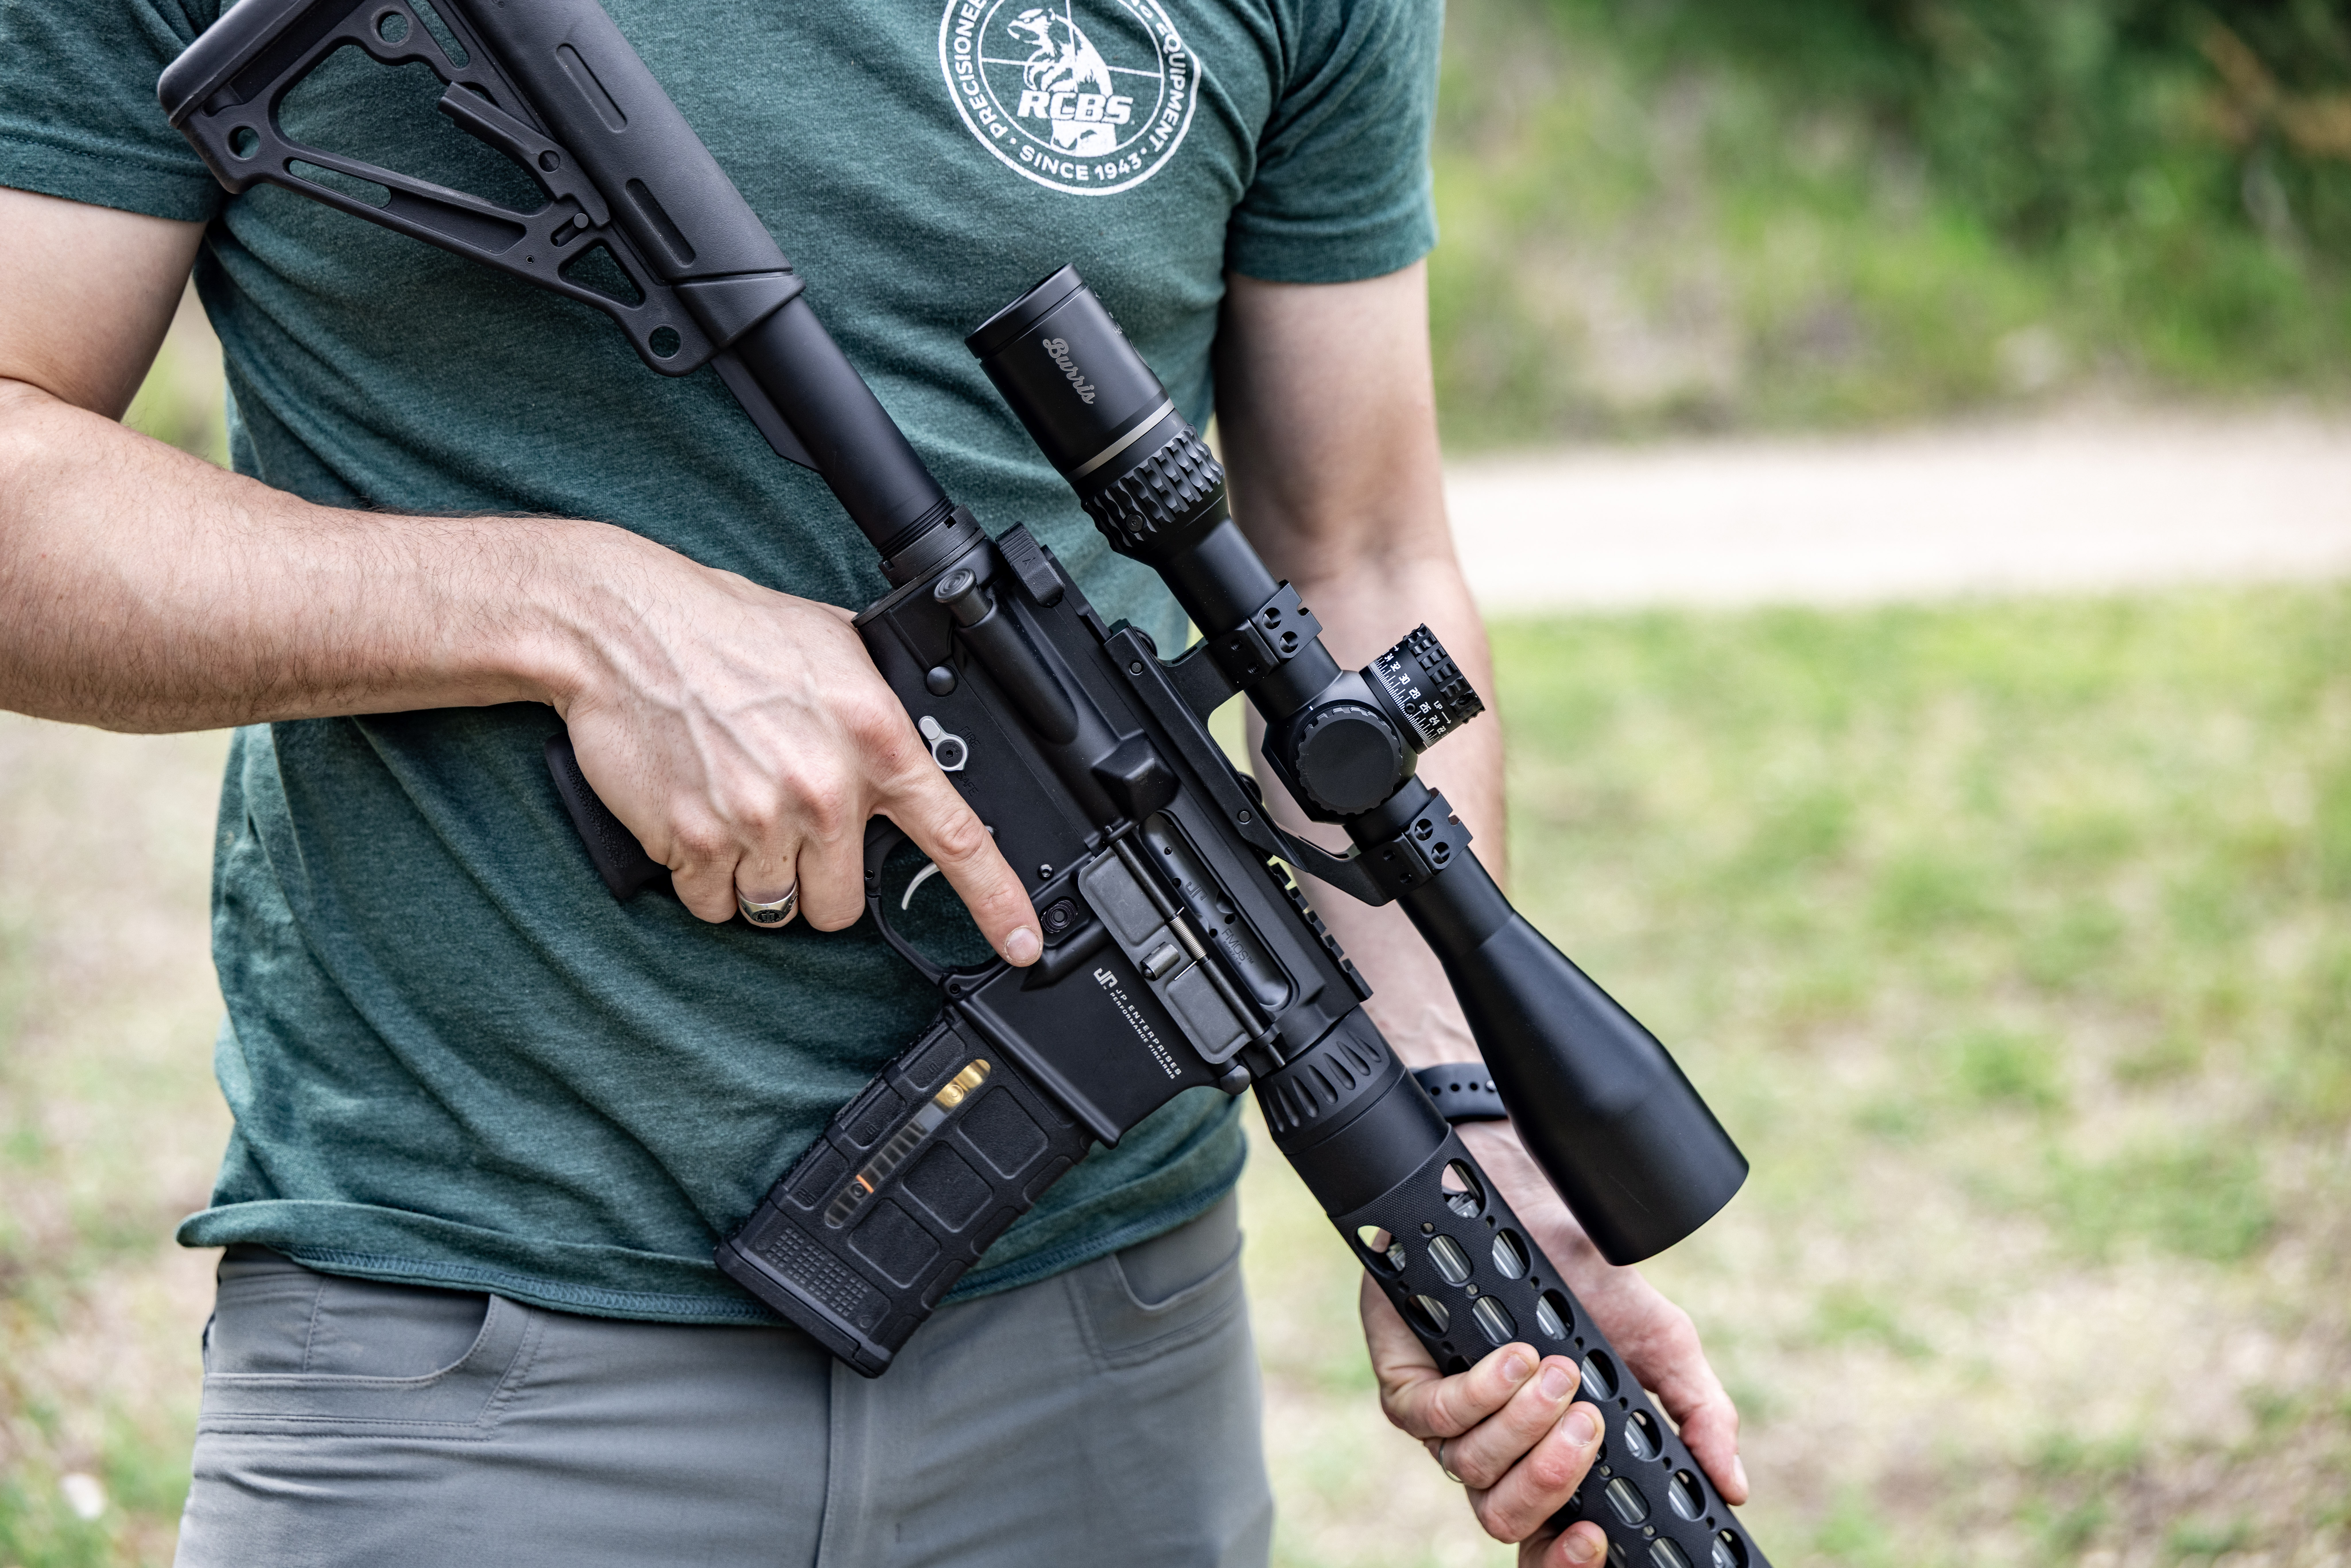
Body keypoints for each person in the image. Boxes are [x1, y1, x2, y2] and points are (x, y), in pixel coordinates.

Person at [0, 0, 1748, 1563]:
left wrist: (1461, 1134)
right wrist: (576, 612)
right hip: (470, 1354)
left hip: (1109, 1361)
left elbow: (1356, 563)